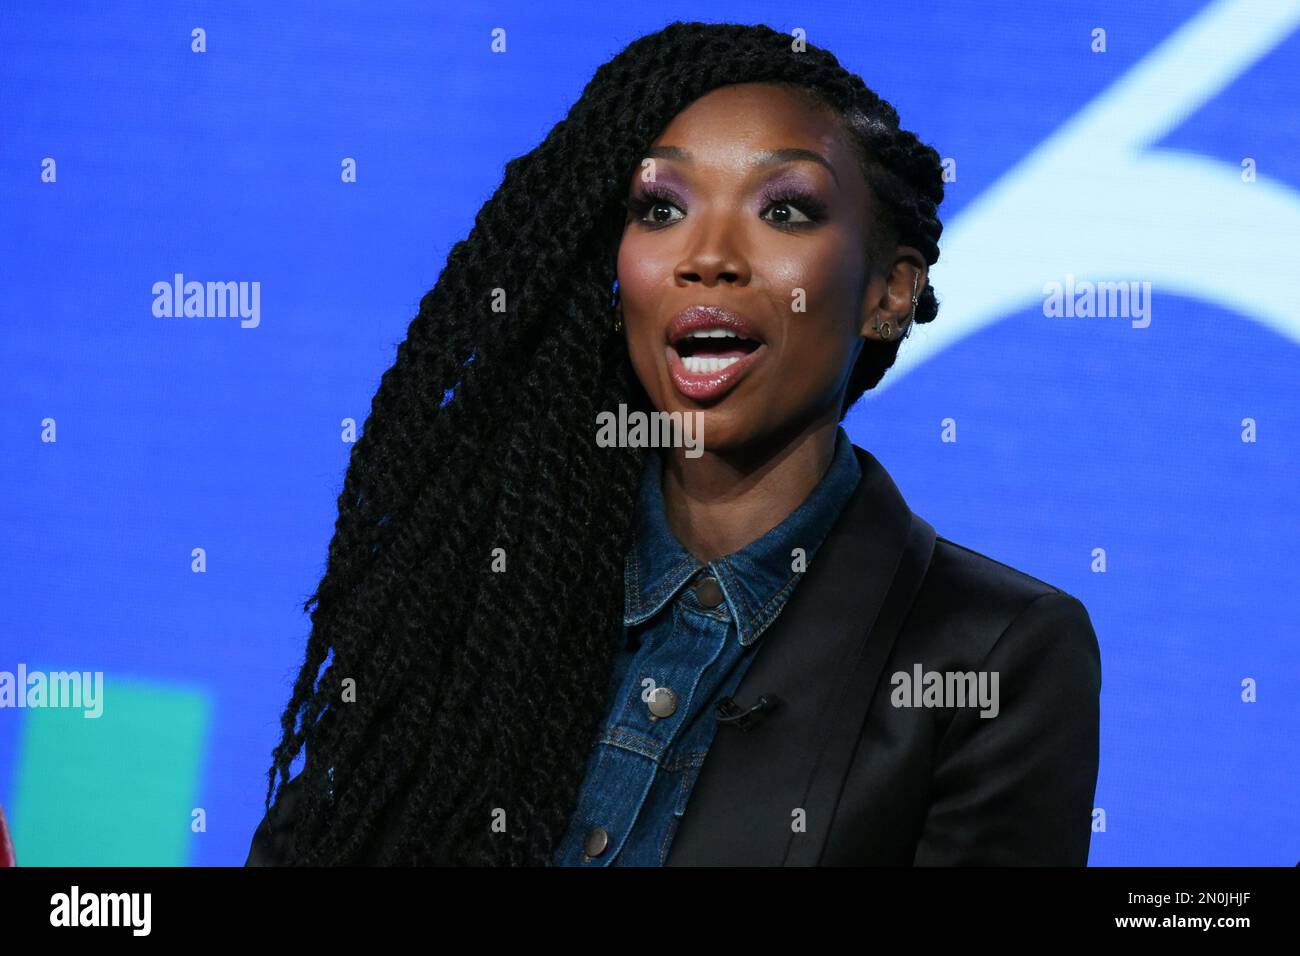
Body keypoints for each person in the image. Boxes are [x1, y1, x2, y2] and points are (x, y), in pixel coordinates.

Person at [245, 20, 1100, 867]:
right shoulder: (478, 593)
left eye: (785, 210)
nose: (710, 258)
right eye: (662, 209)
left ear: (891, 291)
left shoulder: (996, 653)